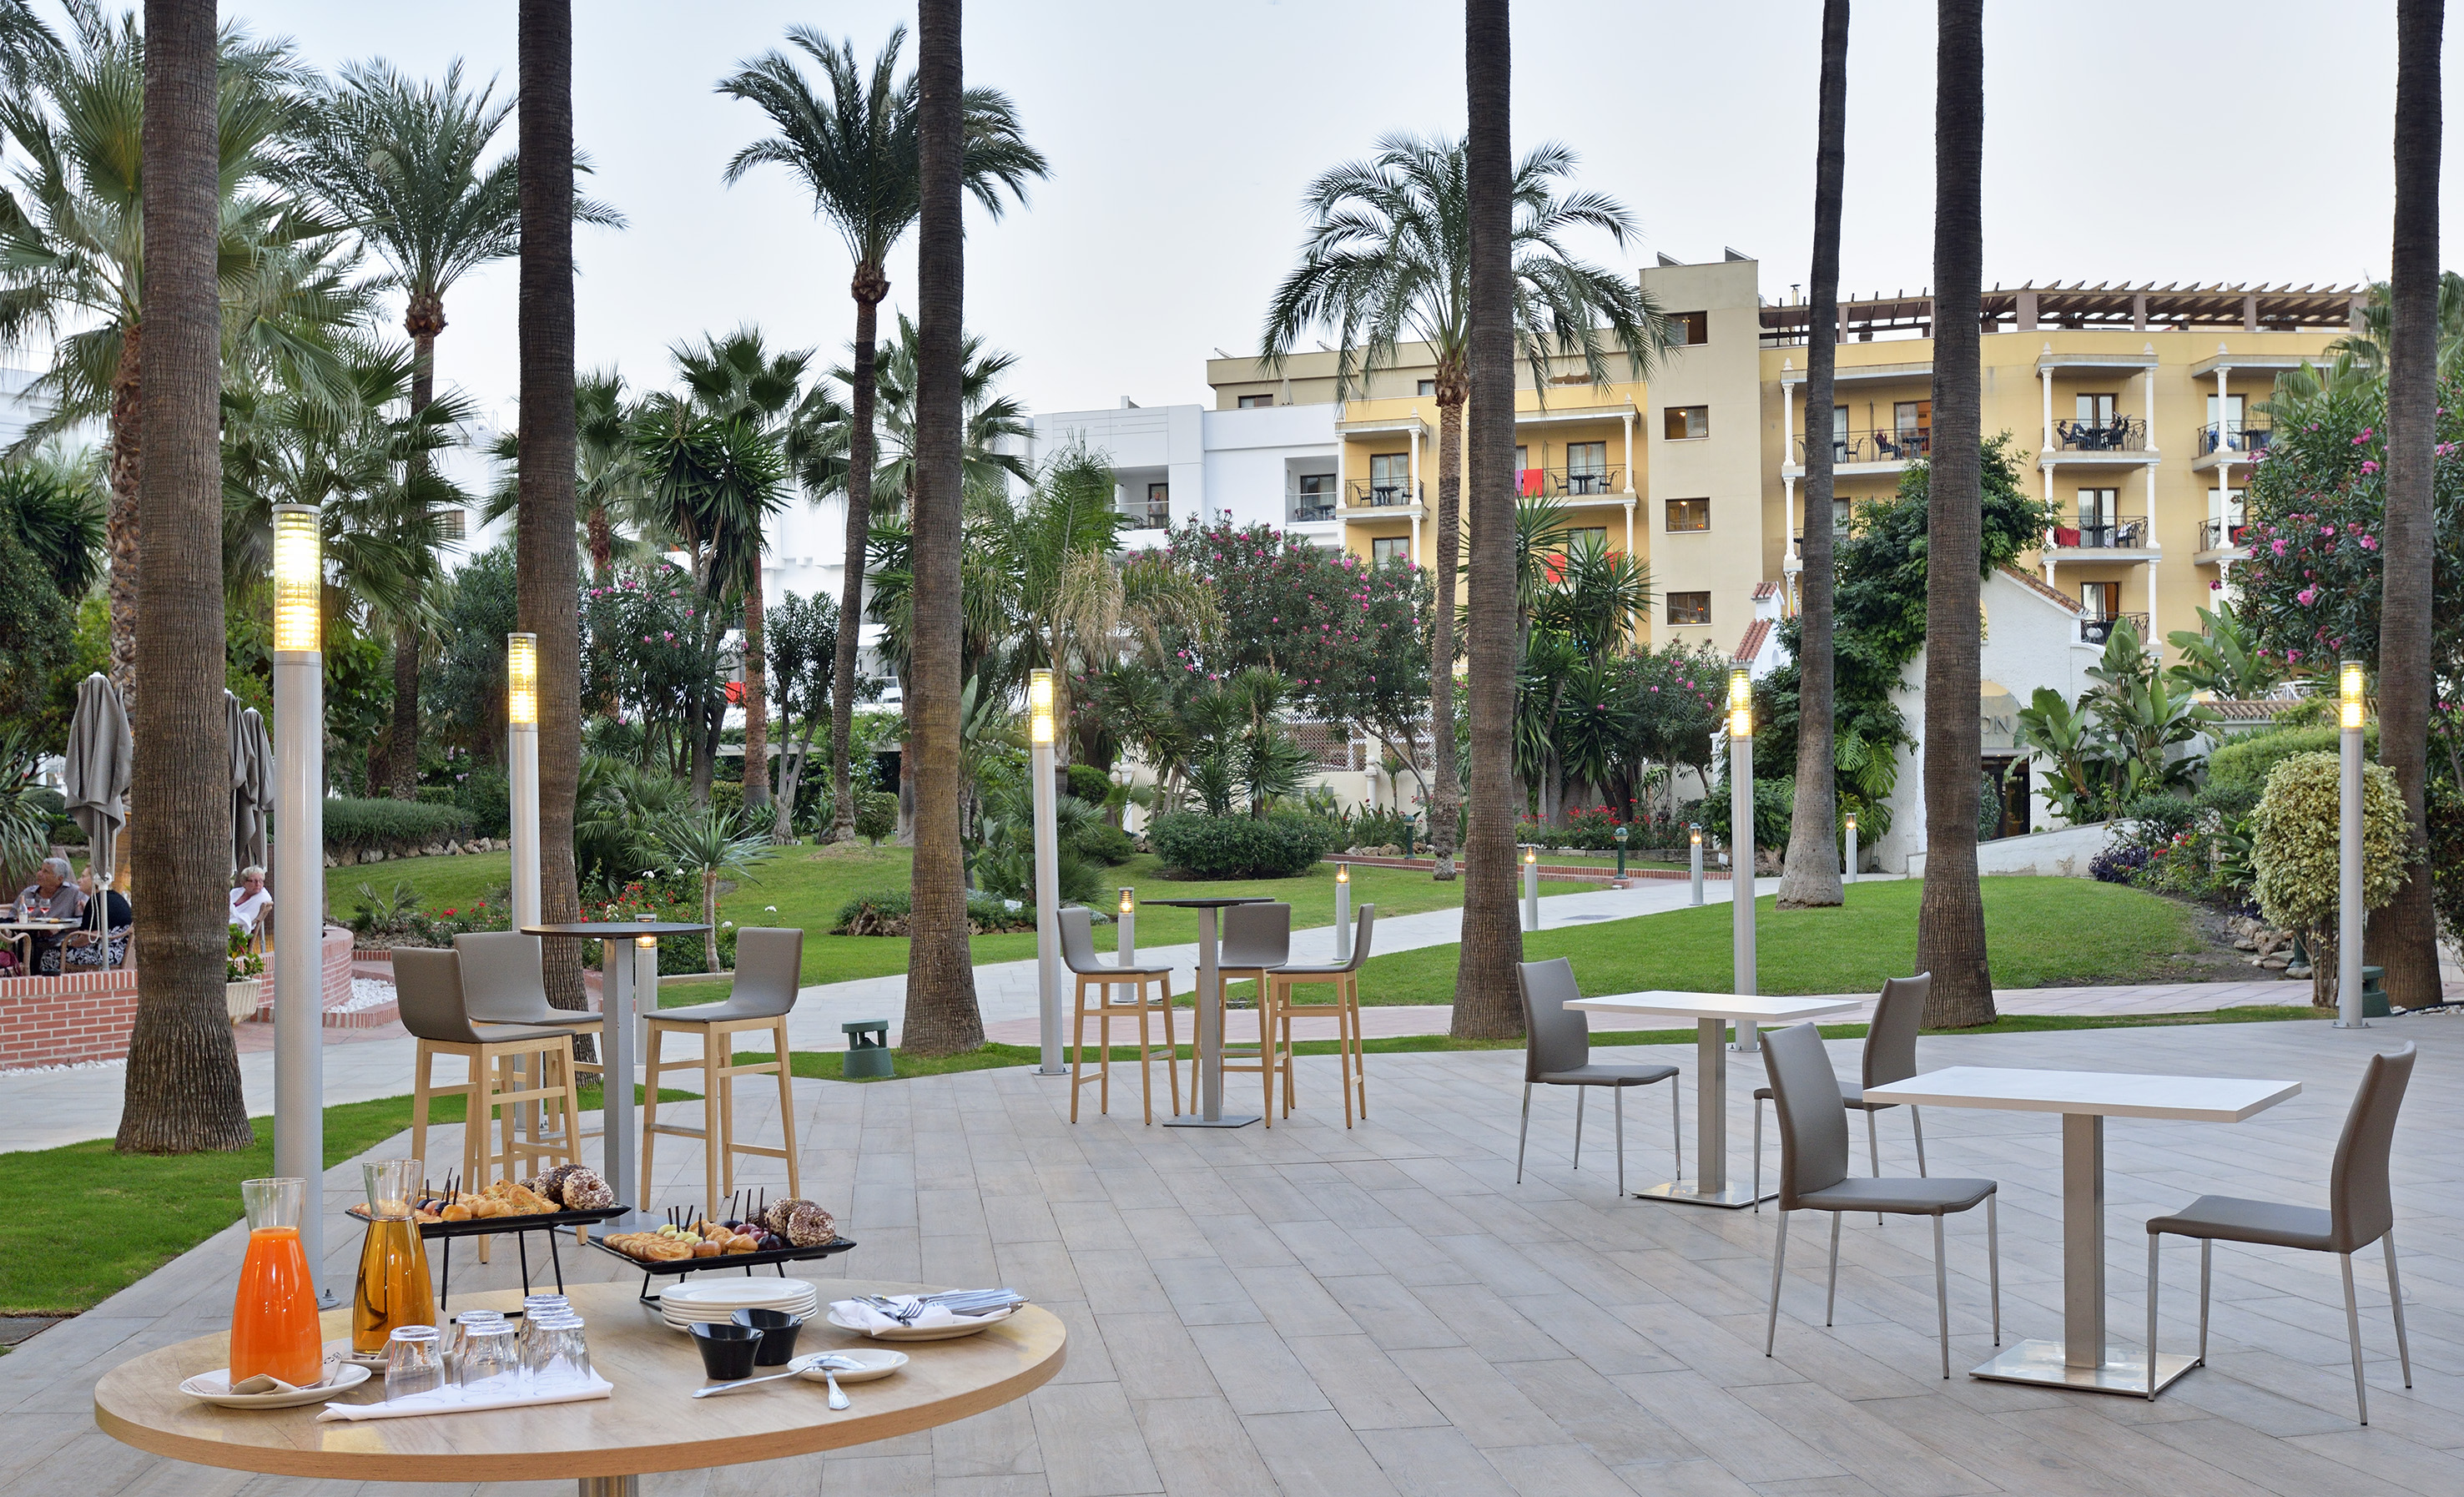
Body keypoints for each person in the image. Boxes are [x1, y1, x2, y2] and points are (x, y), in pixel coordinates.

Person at [12, 857, 85, 973]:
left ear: (60, 878)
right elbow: (12, 917)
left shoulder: (75, 893)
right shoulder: (28, 893)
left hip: (62, 941)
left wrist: (58, 930)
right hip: (27, 939)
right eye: (40, 870)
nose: (39, 874)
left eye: (46, 872)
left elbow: (83, 920)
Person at [57, 866, 133, 972]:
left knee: (50, 955)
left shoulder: (97, 901)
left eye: (83, 877)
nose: (79, 880)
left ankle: (56, 987)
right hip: (120, 953)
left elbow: (87, 938)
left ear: (96, 880)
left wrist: (67, 945)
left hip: (103, 955)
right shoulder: (114, 897)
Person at [229, 865, 273, 936]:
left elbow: (246, 919)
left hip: (235, 932)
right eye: (253, 881)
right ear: (244, 882)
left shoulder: (262, 898)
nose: (258, 884)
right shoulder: (235, 892)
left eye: (260, 881)